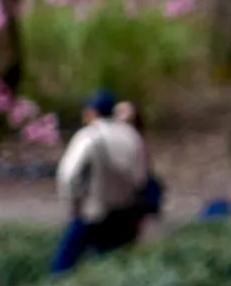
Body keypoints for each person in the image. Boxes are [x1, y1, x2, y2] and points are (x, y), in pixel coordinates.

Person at [50, 92, 155, 273]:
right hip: (125, 212)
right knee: (114, 266)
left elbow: (69, 175)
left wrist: (72, 205)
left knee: (63, 264)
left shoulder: (89, 136)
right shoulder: (131, 135)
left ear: (91, 112)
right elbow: (141, 176)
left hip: (93, 210)